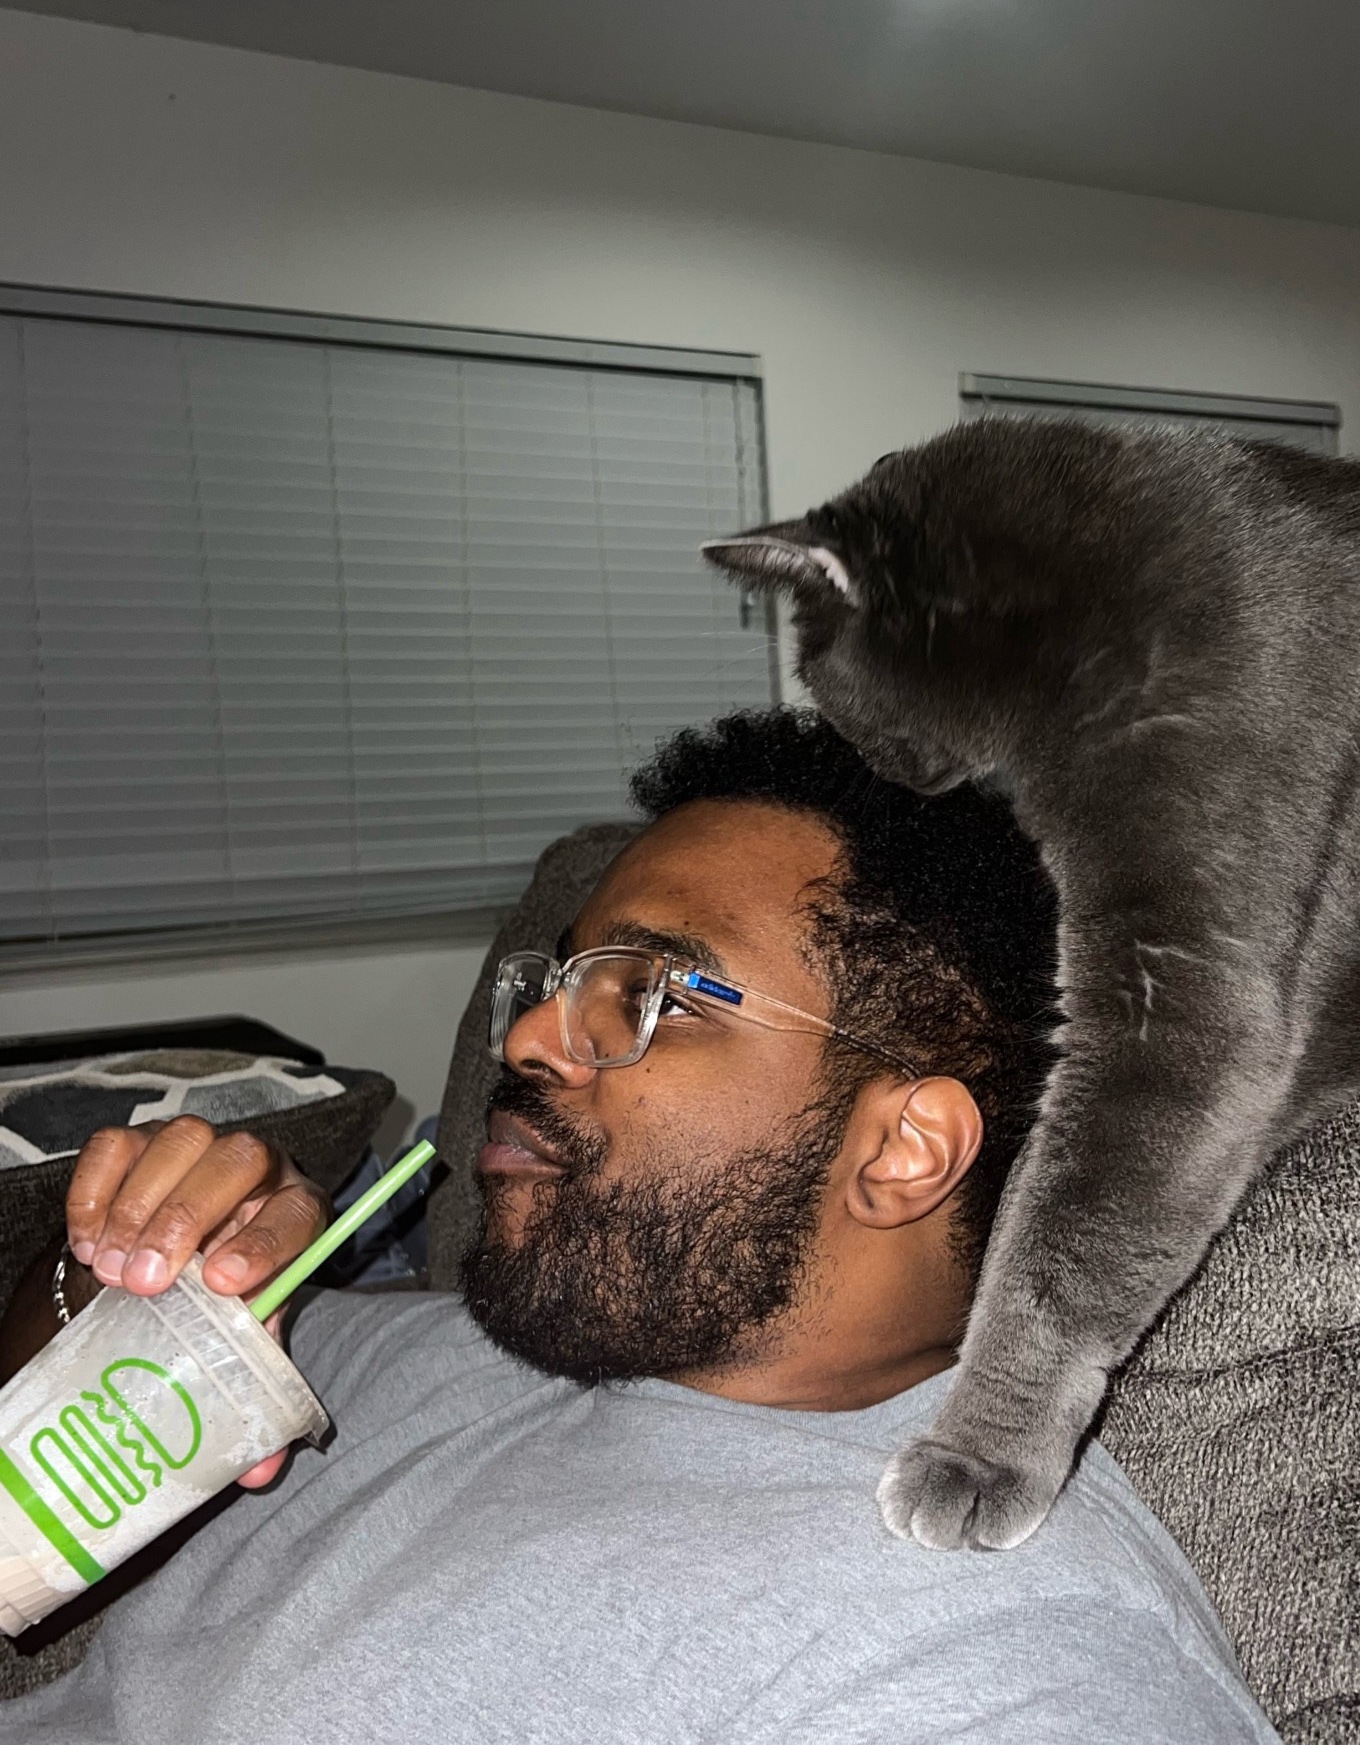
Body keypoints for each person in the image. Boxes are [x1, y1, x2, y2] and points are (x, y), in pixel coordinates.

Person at [0, 709, 1276, 1744]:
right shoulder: (428, 1343)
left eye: (645, 990)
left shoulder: (1001, 1659)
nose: (524, 1038)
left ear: (903, 1149)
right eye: (554, 980)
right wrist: (117, 1280)